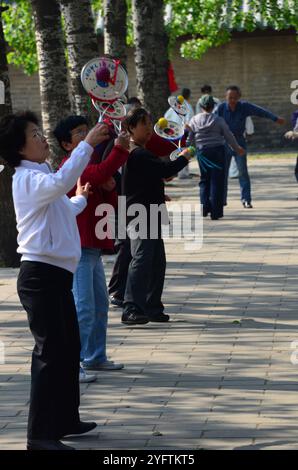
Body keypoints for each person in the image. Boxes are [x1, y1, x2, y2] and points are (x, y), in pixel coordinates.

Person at [0, 111, 110, 450]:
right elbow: (57, 186)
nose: (42, 137)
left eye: (39, 131)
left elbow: (63, 205)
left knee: (68, 349)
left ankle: (65, 418)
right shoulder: (26, 179)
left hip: (56, 276)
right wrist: (87, 145)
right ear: (19, 148)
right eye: (35, 135)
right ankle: (39, 435)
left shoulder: (41, 173)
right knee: (49, 354)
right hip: (40, 278)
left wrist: (80, 196)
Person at [54, 115, 130, 376]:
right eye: (79, 133)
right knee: (83, 307)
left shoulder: (87, 166)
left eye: (87, 130)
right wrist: (120, 149)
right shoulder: (71, 168)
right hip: (79, 248)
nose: (88, 135)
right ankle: (72, 363)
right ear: (66, 145)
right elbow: (99, 173)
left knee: (99, 305)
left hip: (93, 248)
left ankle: (95, 356)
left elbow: (108, 199)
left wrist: (109, 186)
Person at [120, 107, 193, 326]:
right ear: (131, 128)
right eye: (144, 124)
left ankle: (152, 307)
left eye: (150, 124)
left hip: (149, 210)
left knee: (156, 262)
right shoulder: (137, 152)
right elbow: (164, 170)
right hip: (140, 213)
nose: (149, 129)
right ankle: (131, 307)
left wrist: (161, 190)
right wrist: (184, 157)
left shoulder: (140, 152)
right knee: (142, 260)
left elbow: (154, 176)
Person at [218, 85, 285, 208]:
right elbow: (210, 122)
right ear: (226, 97)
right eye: (230, 98)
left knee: (243, 172)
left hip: (239, 143)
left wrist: (275, 118)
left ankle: (246, 199)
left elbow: (260, 111)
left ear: (239, 97)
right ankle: (221, 200)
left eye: (234, 98)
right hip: (224, 143)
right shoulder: (221, 108)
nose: (232, 100)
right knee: (222, 173)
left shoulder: (244, 107)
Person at [187, 95, 245, 220]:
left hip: (202, 152)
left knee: (204, 180)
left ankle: (204, 208)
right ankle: (216, 212)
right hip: (218, 151)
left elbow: (190, 138)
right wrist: (237, 148)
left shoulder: (194, 120)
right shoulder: (218, 120)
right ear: (213, 106)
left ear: (201, 107)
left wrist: (188, 148)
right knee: (217, 181)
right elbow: (228, 135)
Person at [165, 88, 194, 179]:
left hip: (172, 132)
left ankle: (175, 172)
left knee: (175, 151)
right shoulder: (187, 106)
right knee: (183, 151)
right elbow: (189, 121)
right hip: (182, 132)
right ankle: (183, 173)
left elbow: (166, 117)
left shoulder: (173, 107)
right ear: (189, 95)